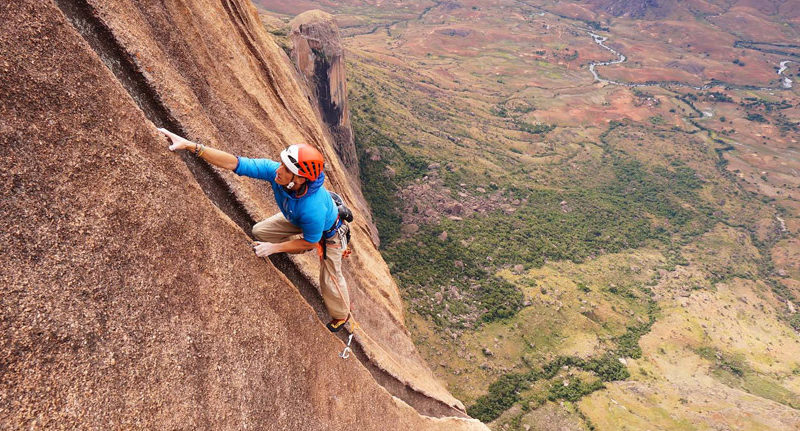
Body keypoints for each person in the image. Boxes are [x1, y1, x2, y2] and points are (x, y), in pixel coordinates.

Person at [159, 128, 351, 332]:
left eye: (286, 169)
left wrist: (274, 248)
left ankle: (341, 316)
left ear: (301, 179)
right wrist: (191, 146)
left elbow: (311, 242)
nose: (279, 170)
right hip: (297, 217)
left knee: (329, 279)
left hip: (327, 232)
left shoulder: (312, 208)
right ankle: (283, 246)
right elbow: (236, 163)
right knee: (260, 232)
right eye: (282, 164)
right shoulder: (277, 173)